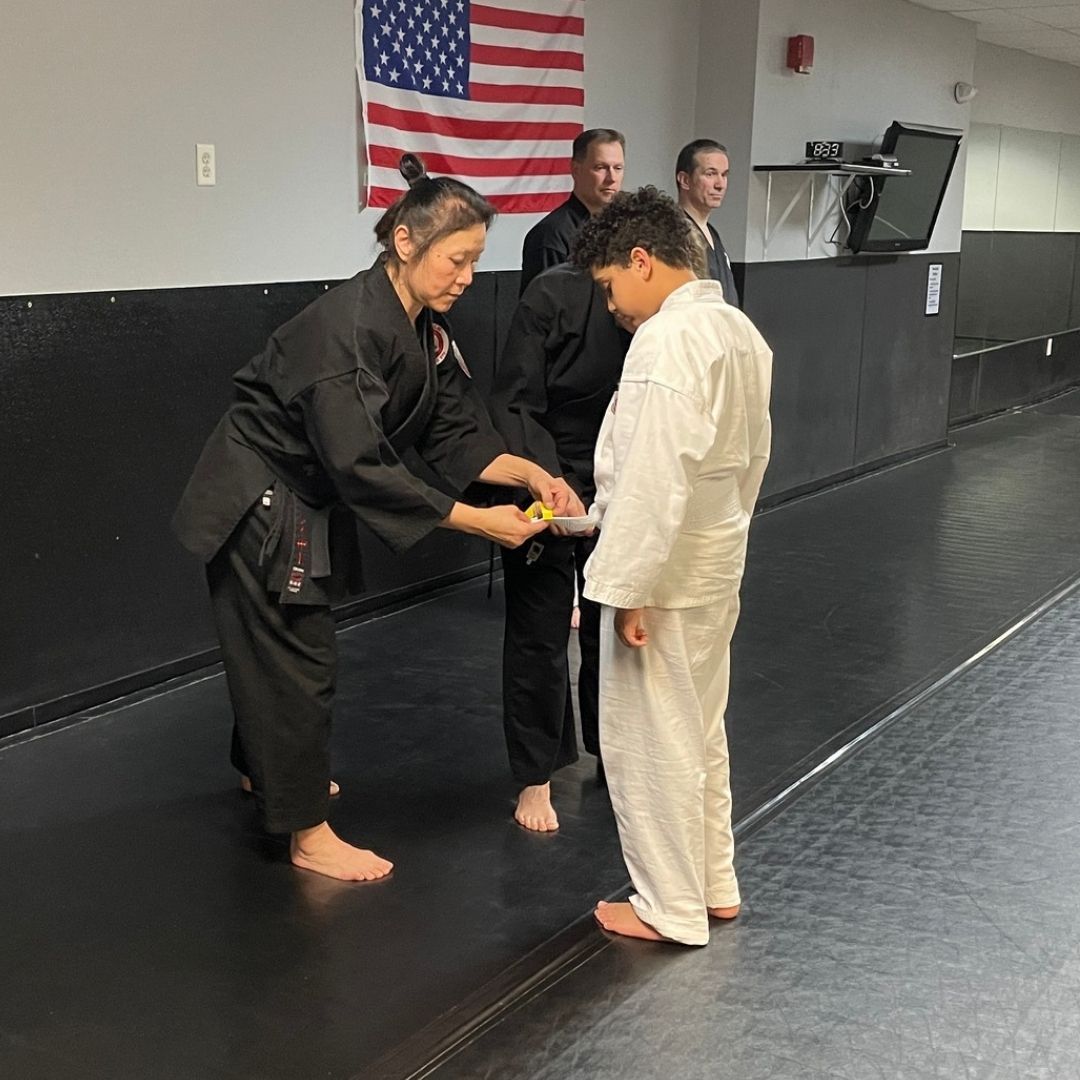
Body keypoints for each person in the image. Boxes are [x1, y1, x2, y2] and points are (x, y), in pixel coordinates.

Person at [172, 155, 574, 882]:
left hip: (301, 490)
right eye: (456, 259)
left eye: (476, 262)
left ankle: (266, 771)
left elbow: (455, 431)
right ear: (406, 244)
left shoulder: (424, 328)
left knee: (278, 646)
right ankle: (307, 832)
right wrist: (480, 525)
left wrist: (531, 475)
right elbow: (361, 464)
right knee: (300, 656)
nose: (465, 277)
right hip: (261, 493)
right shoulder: (346, 331)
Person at [572, 187, 772, 944]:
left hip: (662, 577)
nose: (613, 306)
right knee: (700, 730)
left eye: (610, 286)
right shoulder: (740, 333)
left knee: (650, 740)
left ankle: (669, 906)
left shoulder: (665, 343)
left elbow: (656, 476)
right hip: (714, 561)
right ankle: (714, 883)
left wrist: (627, 589)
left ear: (642, 260)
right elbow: (749, 460)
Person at [490, 262, 629, 831]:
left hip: (617, 475)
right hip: (543, 475)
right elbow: (514, 402)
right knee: (540, 629)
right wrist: (548, 479)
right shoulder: (551, 295)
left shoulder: (659, 310)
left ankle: (613, 749)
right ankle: (535, 778)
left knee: (614, 622)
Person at [519, 128, 626, 295]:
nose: (612, 178)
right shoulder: (551, 235)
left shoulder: (626, 229)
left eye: (618, 168)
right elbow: (542, 309)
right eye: (600, 167)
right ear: (576, 170)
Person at [675, 139, 740, 306]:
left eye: (724, 175)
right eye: (710, 174)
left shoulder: (712, 233)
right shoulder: (673, 233)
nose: (720, 185)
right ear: (685, 180)